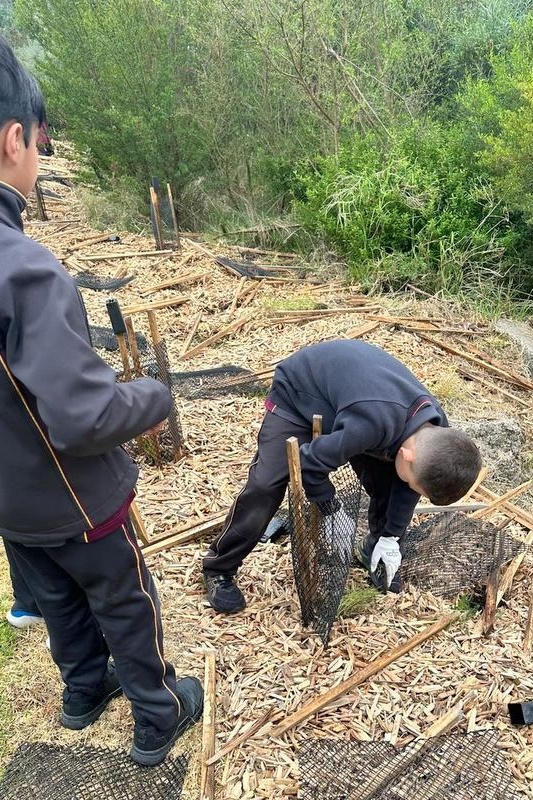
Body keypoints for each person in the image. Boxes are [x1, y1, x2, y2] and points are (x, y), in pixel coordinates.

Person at [0, 36, 202, 767]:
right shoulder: (22, 268)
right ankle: (160, 712)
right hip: (75, 498)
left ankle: (83, 693)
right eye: (39, 141)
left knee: (55, 599)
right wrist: (153, 395)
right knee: (123, 600)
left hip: (11, 504)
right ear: (13, 138)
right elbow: (82, 417)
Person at [203, 339, 482, 612]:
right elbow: (309, 463)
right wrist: (330, 509)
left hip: (354, 404)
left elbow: (407, 488)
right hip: (300, 393)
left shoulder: (436, 431)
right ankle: (219, 566)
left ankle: (373, 548)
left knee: (391, 482)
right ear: (407, 454)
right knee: (267, 485)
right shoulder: (370, 424)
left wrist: (391, 537)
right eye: (413, 481)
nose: (411, 487)